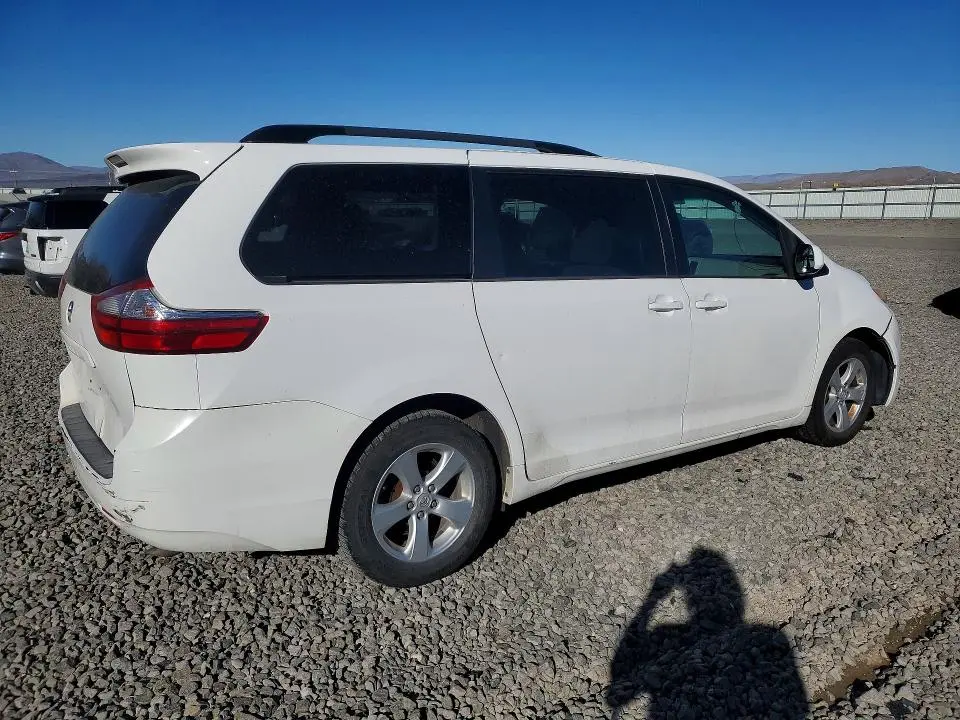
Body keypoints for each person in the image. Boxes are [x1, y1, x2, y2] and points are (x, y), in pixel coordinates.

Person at [607, 547, 807, 719]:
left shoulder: (665, 634)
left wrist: (652, 600)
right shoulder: (768, 636)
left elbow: (618, 690)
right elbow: (798, 706)